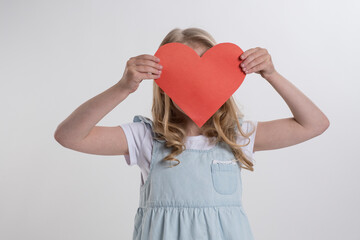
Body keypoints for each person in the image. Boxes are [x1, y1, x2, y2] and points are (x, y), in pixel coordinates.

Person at [54, 27, 330, 240]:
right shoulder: (145, 138)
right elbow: (70, 136)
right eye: (184, 73)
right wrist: (123, 87)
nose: (196, 83)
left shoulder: (238, 136)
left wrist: (271, 74)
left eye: (206, 72)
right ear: (163, 83)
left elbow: (314, 124)